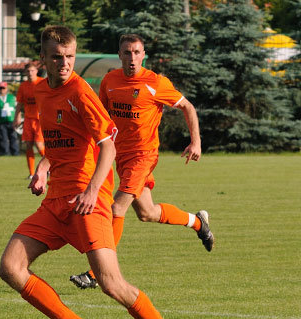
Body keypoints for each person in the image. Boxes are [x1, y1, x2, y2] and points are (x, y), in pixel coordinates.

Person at [0, 25, 188, 319]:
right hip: (55, 202)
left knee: (111, 284)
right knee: (10, 267)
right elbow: (58, 144)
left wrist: (90, 190)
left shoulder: (81, 92)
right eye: (57, 57)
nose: (65, 63)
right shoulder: (43, 92)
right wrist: (42, 169)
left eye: (69, 57)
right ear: (44, 59)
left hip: (89, 202)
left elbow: (107, 146)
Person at [69, 33, 213, 290]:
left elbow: (188, 107)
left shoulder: (155, 82)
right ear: (120, 54)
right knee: (147, 213)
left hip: (144, 156)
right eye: (127, 52)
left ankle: (95, 273)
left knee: (116, 208)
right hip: (121, 156)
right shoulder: (110, 81)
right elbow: (101, 118)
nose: (132, 58)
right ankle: (198, 222)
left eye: (137, 52)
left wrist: (196, 141)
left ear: (144, 54)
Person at [14, 62, 46, 178]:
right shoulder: (23, 86)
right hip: (28, 119)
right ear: (25, 73)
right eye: (28, 71)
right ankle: (32, 173)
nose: (30, 73)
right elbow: (20, 104)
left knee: (39, 144)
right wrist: (16, 117)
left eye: (32, 70)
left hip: (40, 119)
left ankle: (50, 167)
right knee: (28, 145)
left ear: (36, 71)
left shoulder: (42, 83)